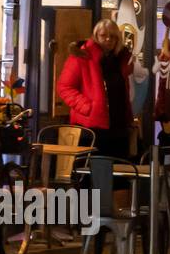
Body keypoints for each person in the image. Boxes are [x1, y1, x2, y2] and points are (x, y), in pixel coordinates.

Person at [58, 18, 136, 162]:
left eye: (113, 36)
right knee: (91, 173)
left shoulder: (121, 59)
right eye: (104, 35)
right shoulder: (82, 57)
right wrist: (88, 107)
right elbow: (64, 87)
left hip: (118, 126)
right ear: (96, 36)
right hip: (92, 127)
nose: (108, 39)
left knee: (118, 173)